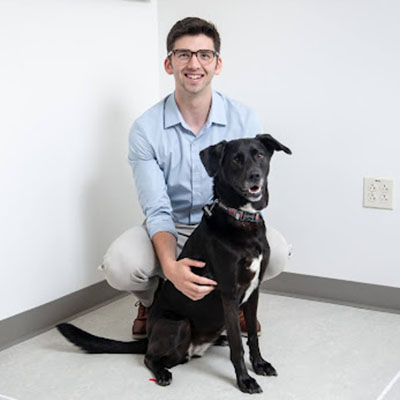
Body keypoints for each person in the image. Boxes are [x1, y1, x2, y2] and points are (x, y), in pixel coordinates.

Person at [100, 17, 290, 339]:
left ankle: (234, 304)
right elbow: (157, 209)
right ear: (168, 63)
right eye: (183, 54)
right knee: (120, 263)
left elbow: (252, 192)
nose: (194, 64)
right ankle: (156, 301)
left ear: (217, 64)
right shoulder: (146, 129)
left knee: (278, 253)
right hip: (170, 226)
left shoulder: (243, 118)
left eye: (204, 54)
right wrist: (172, 268)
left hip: (225, 225)